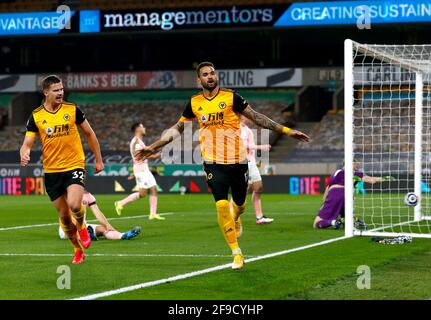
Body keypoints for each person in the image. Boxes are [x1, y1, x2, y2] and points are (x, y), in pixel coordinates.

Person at [135, 62, 310, 270]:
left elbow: (257, 118)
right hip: (212, 162)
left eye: (212, 73)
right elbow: (177, 128)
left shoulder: (231, 97)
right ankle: (236, 253)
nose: (210, 77)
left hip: (238, 161)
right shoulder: (194, 103)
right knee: (220, 205)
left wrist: (287, 131)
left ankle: (236, 216)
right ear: (199, 80)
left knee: (240, 204)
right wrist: (153, 146)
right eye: (205, 74)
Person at [20, 75, 104, 265]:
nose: (60, 93)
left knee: (75, 205)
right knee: (65, 219)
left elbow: (89, 133)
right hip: (51, 171)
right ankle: (77, 249)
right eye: (56, 90)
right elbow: (27, 143)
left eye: (62, 89)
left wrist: (98, 159)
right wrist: (24, 153)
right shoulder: (36, 116)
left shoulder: (72, 109)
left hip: (74, 164)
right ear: (46, 92)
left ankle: (82, 227)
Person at [313, 160, 395, 229]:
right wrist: (384, 179)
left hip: (335, 193)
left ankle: (334, 222)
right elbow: (371, 181)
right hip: (348, 195)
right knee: (347, 217)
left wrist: (324, 202)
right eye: (356, 163)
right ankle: (353, 220)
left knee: (316, 223)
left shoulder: (337, 172)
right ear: (350, 163)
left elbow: (329, 187)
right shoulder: (357, 173)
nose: (358, 165)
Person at [114, 123, 164, 220]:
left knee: (154, 189)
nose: (144, 128)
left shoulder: (139, 141)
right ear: (138, 129)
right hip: (141, 170)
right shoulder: (136, 142)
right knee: (143, 193)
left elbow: (141, 156)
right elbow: (139, 156)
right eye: (143, 126)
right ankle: (120, 203)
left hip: (144, 169)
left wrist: (153, 154)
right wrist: (154, 154)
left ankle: (153, 214)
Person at [59, 190, 141, 241]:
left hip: (83, 227)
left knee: (103, 229)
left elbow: (97, 212)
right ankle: (86, 235)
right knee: (77, 230)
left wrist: (108, 225)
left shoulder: (88, 196)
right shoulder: (68, 194)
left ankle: (123, 235)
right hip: (67, 229)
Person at [239, 115, 274, 224]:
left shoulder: (248, 130)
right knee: (242, 191)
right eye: (247, 117)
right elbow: (242, 145)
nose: (249, 119)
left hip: (251, 162)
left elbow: (250, 146)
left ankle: (259, 217)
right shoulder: (236, 128)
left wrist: (255, 159)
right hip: (242, 162)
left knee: (258, 188)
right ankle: (231, 213)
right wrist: (261, 147)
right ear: (241, 117)